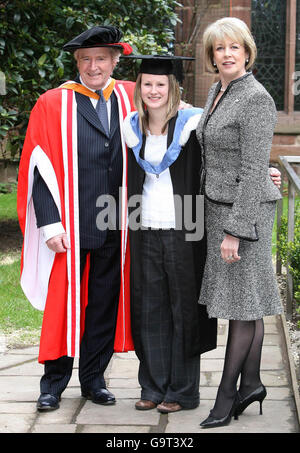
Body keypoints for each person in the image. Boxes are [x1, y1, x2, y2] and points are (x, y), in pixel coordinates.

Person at [17, 25, 135, 411]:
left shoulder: (131, 97)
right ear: (76, 63)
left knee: (103, 302)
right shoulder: (53, 103)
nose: (93, 66)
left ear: (115, 61)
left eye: (101, 58)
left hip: (117, 222)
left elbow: (180, 125)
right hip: (71, 222)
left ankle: (94, 380)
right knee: (64, 304)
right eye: (85, 59)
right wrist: (50, 223)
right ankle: (52, 382)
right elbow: (38, 166)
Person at [196, 17, 283, 428]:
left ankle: (226, 396)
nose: (227, 54)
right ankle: (251, 383)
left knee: (242, 307)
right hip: (222, 206)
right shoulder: (218, 90)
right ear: (212, 56)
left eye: (234, 47)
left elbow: (252, 170)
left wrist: (235, 230)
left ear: (247, 52)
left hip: (243, 215)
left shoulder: (256, 98)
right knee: (246, 302)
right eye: (219, 48)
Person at [123, 55, 219, 413]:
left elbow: (223, 162)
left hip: (185, 228)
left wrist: (266, 176)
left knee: (184, 311)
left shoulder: (193, 125)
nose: (153, 90)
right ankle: (152, 386)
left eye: (160, 84)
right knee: (149, 310)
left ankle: (182, 391)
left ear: (173, 87)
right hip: (143, 227)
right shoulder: (131, 127)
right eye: (147, 84)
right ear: (139, 88)